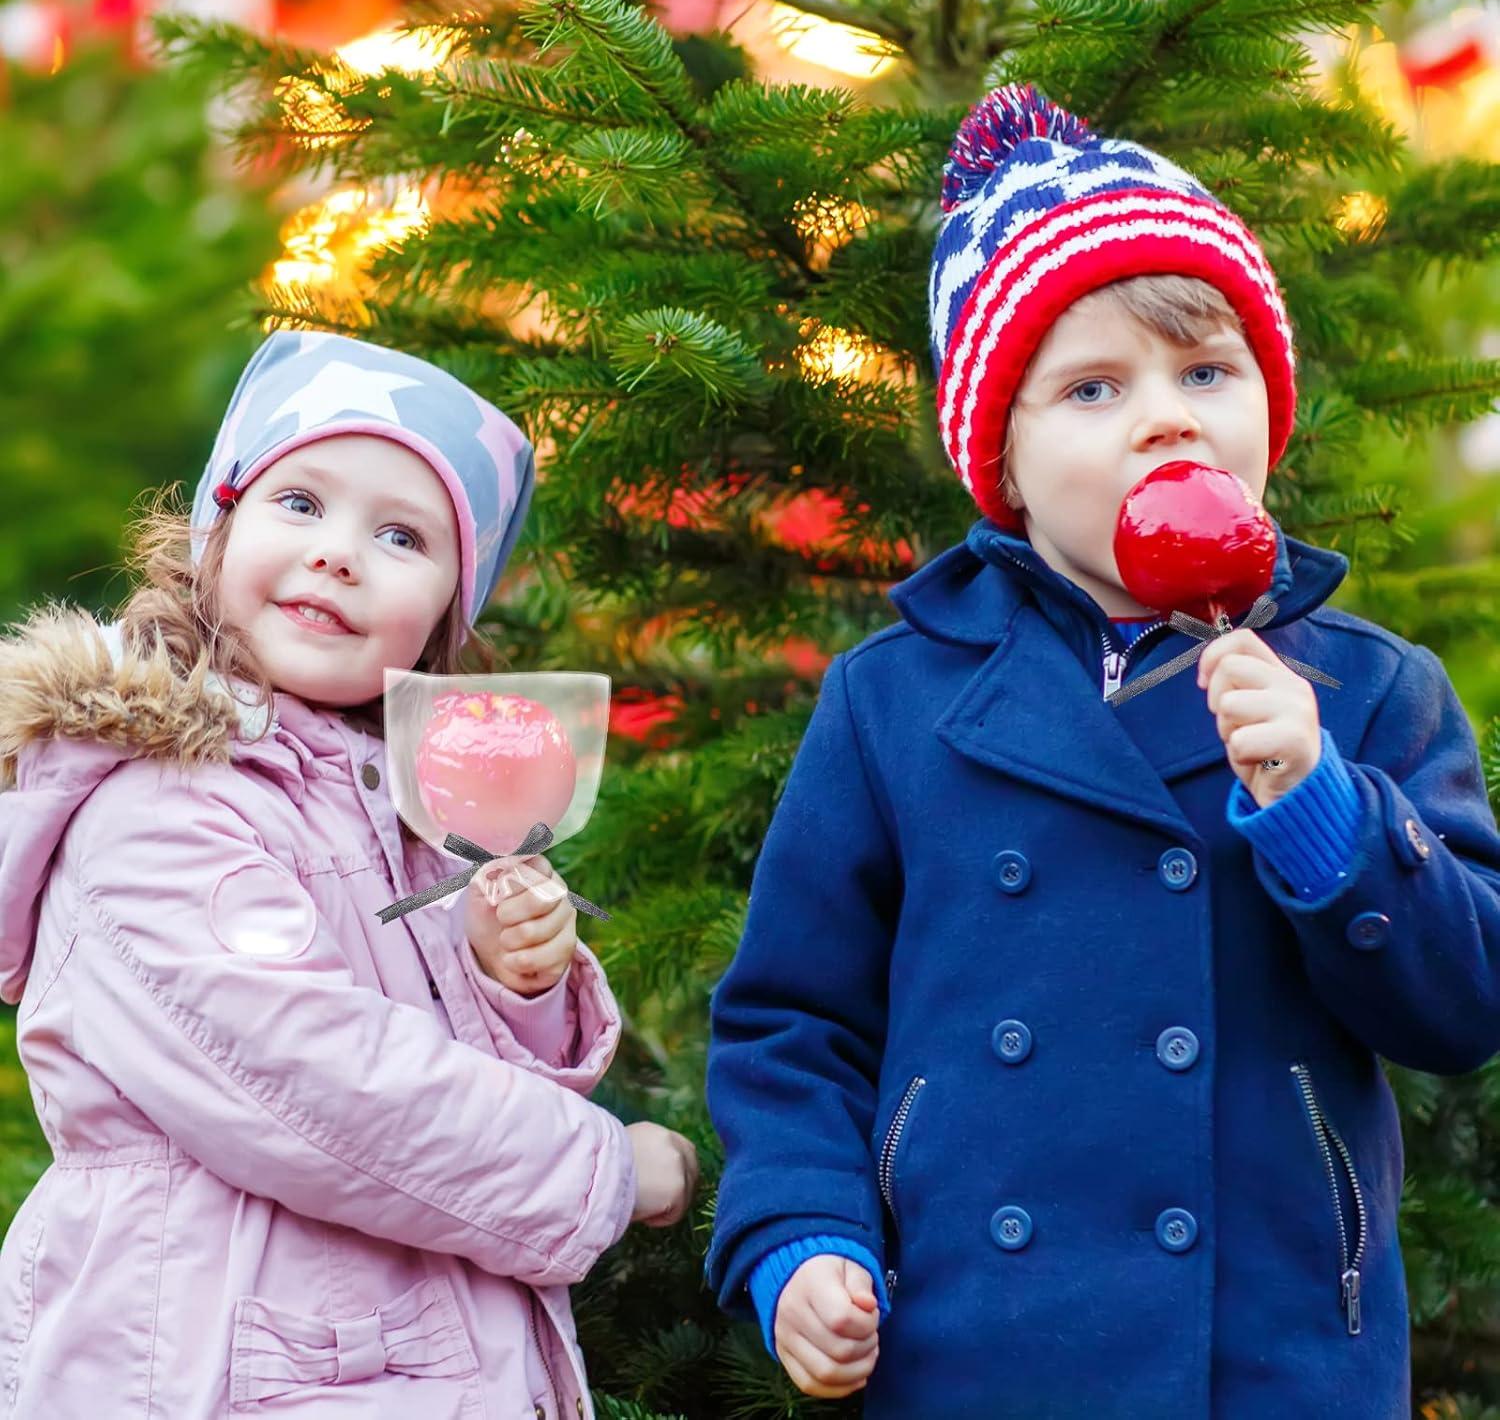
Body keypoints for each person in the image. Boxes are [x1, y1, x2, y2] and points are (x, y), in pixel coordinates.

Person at [703, 83, 1500, 1418]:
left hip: (1271, 1354)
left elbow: (1465, 1003)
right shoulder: (896, 701)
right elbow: (795, 1020)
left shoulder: (1365, 691)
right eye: (1093, 387)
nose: (1166, 417)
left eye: (1205, 371)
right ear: (1002, 460)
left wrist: (1325, 811)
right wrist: (800, 1241)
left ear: (1266, 405)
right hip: (978, 1350)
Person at [0, 330, 697, 1420]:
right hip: (228, 1367)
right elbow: (312, 1083)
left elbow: (442, 1058)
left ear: (445, 617)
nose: (339, 554)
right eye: (300, 504)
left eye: (401, 535)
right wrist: (608, 1173)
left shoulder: (412, 814)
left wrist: (512, 982)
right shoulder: (160, 798)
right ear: (214, 537)